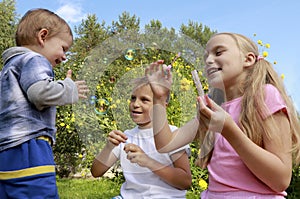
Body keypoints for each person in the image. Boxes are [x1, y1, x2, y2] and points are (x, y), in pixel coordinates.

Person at [145, 32, 300, 198]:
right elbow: (165, 144)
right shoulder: (213, 106)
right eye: (206, 57)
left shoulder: (265, 96)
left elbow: (281, 180)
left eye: (218, 52)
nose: (209, 60)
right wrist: (159, 99)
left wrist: (229, 130)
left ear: (248, 59)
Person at [0, 8, 88, 198]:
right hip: (29, 148)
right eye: (63, 48)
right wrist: (68, 89)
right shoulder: (35, 60)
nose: (64, 56)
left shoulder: (8, 68)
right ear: (43, 36)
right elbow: (40, 93)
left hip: (6, 151)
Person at [91, 76, 192, 199]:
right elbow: (96, 172)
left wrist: (149, 162)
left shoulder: (173, 134)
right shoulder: (126, 137)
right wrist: (108, 147)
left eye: (144, 100)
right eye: (133, 98)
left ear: (162, 104)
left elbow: (185, 182)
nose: (135, 104)